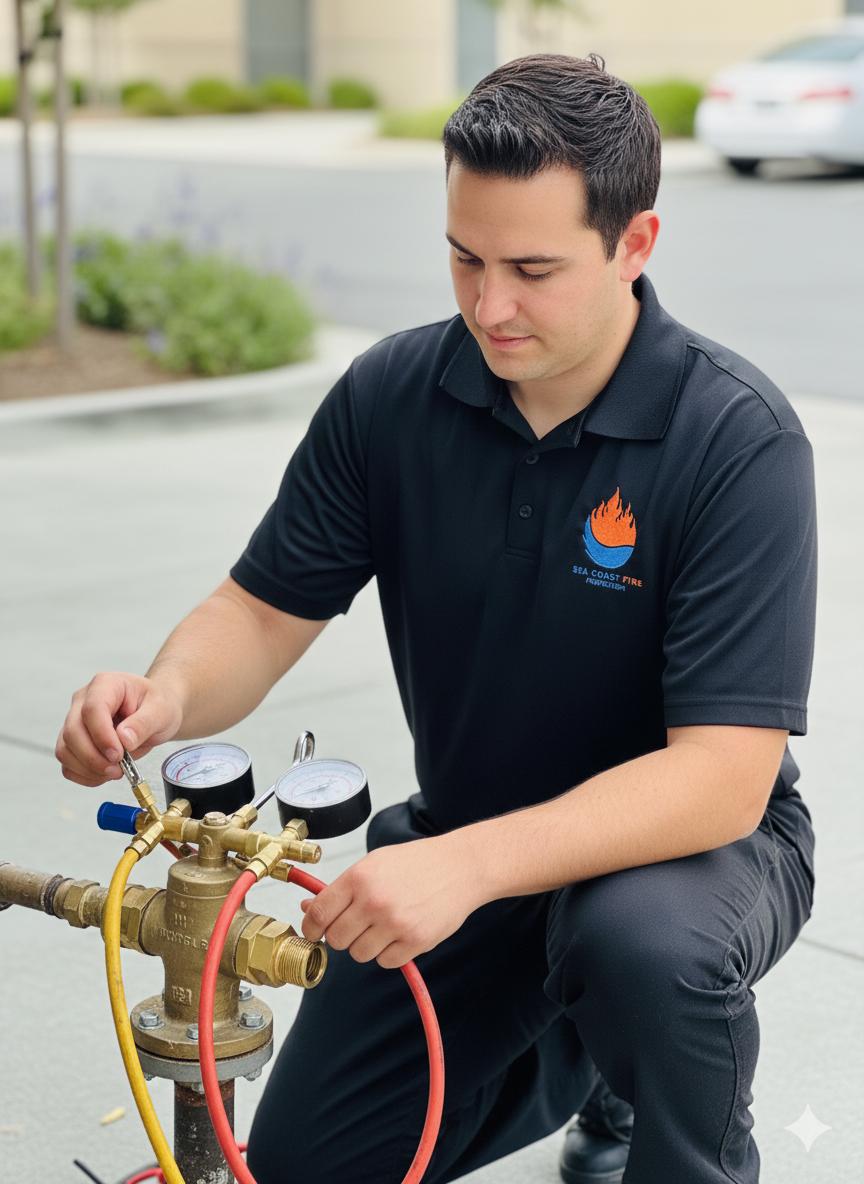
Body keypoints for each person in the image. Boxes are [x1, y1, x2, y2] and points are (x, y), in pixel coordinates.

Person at [55, 53, 817, 1184]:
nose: (488, 306)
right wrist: (166, 692)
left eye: (533, 269)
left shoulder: (738, 440)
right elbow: (259, 612)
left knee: (638, 949)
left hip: (690, 858)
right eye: (465, 257)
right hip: (464, 841)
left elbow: (722, 779)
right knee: (310, 1165)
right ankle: (588, 1047)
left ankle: (647, 1085)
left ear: (635, 244)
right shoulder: (392, 396)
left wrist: (468, 866)